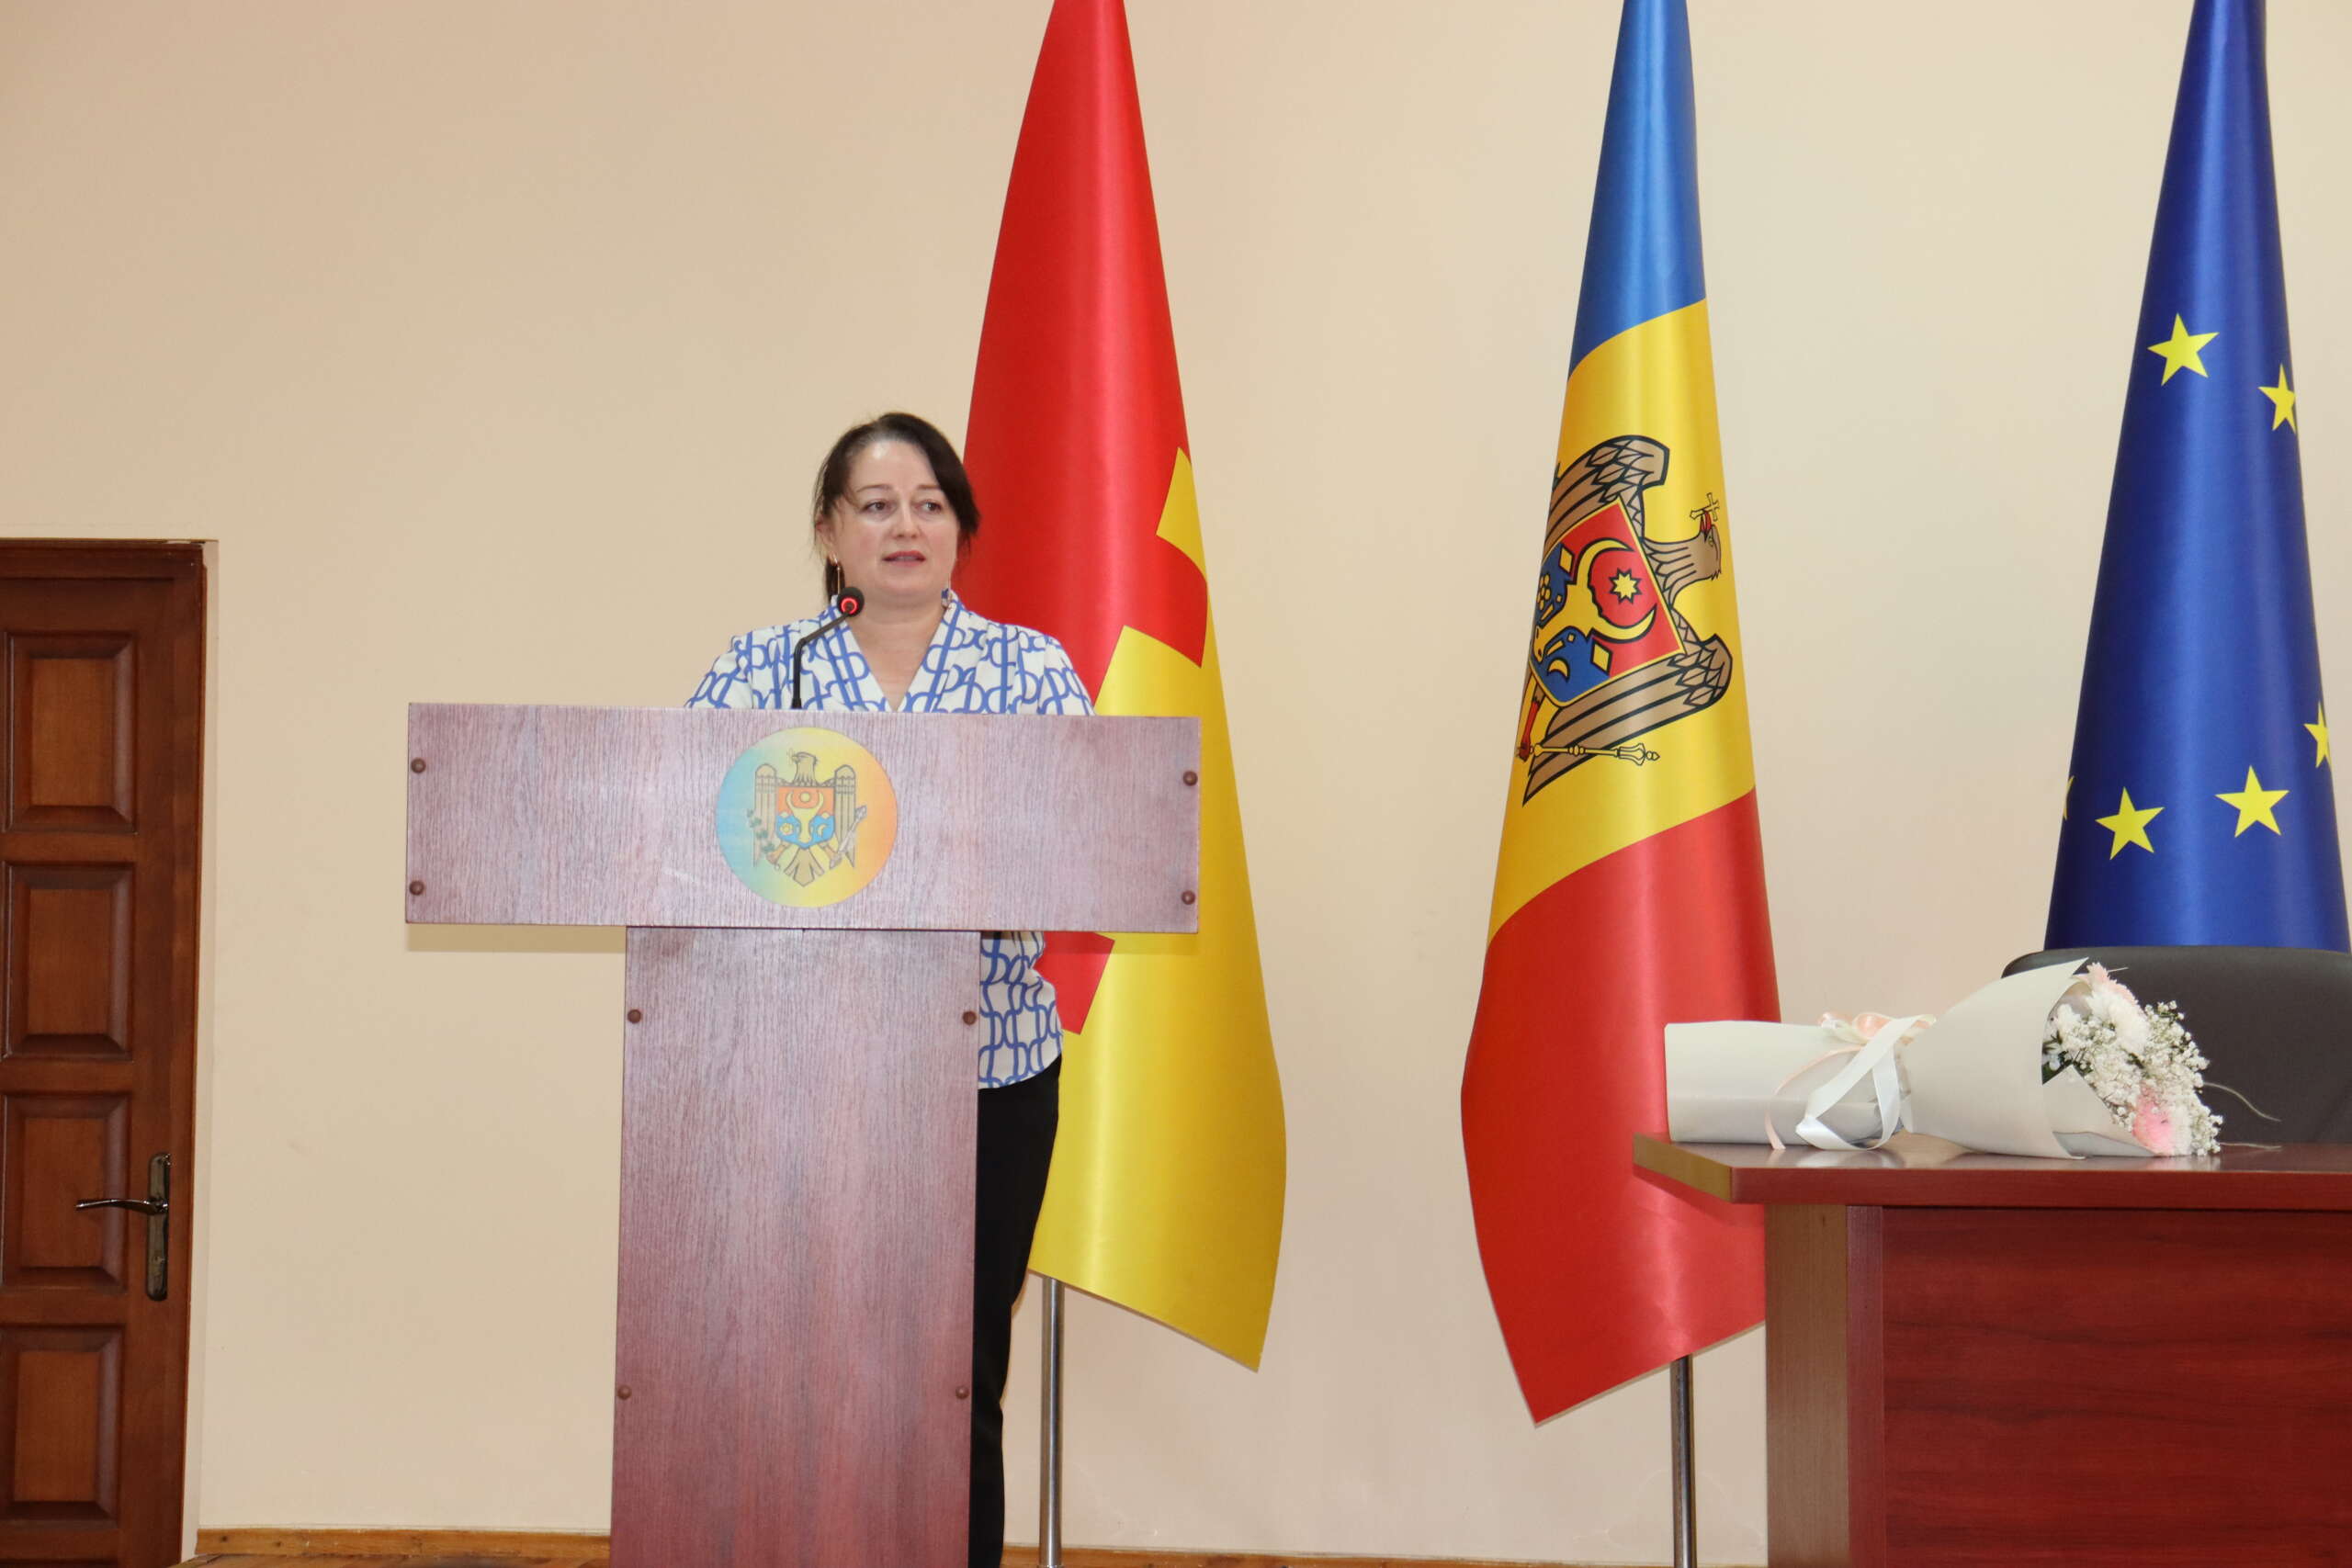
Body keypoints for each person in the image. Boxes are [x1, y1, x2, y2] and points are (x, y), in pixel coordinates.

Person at [687, 411, 1090, 1568]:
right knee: (795, 1363)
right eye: (875, 505)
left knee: (956, 1373)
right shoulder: (762, 668)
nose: (904, 524)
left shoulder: (1031, 671)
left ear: (960, 527)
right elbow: (681, 830)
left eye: (928, 503)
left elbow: (1082, 838)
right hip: (795, 1073)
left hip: (987, 1073)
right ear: (829, 531)